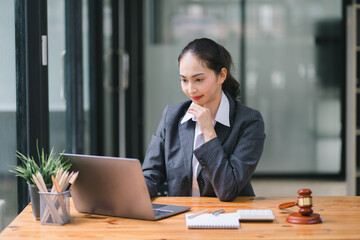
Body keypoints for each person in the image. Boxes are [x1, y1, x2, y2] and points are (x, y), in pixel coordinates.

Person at [142, 38, 265, 202]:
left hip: (229, 217)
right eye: (184, 80)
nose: (190, 89)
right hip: (179, 219)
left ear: (221, 76)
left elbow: (227, 190)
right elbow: (151, 174)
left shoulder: (249, 122)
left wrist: (208, 131)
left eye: (198, 79)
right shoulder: (171, 116)